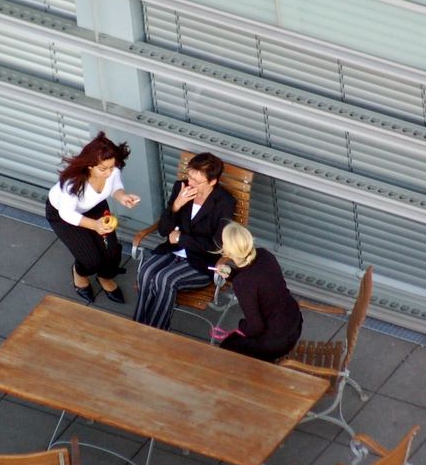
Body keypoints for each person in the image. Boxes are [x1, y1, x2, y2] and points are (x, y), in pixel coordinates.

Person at [133, 152, 235, 330]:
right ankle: (137, 328)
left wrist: (182, 238)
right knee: (146, 272)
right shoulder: (181, 187)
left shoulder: (224, 202)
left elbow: (216, 246)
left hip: (201, 262)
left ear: (212, 182)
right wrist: (176, 205)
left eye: (197, 181)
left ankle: (155, 333)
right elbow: (164, 230)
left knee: (164, 279)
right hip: (171, 250)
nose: (190, 183)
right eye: (189, 177)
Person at [46, 131, 140, 303]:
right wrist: (94, 225)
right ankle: (79, 272)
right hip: (64, 215)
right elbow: (66, 213)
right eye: (103, 169)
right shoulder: (73, 183)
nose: (109, 172)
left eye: (112, 167)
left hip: (94, 207)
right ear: (90, 165)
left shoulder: (112, 169)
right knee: (91, 259)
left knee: (111, 251)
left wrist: (121, 196)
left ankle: (105, 277)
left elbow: (115, 185)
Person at [215, 221, 302, 361]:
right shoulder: (264, 255)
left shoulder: (242, 283)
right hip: (294, 323)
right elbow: (256, 278)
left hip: (278, 342)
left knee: (227, 348)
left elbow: (256, 327)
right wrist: (232, 274)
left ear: (228, 251)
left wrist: (240, 328)